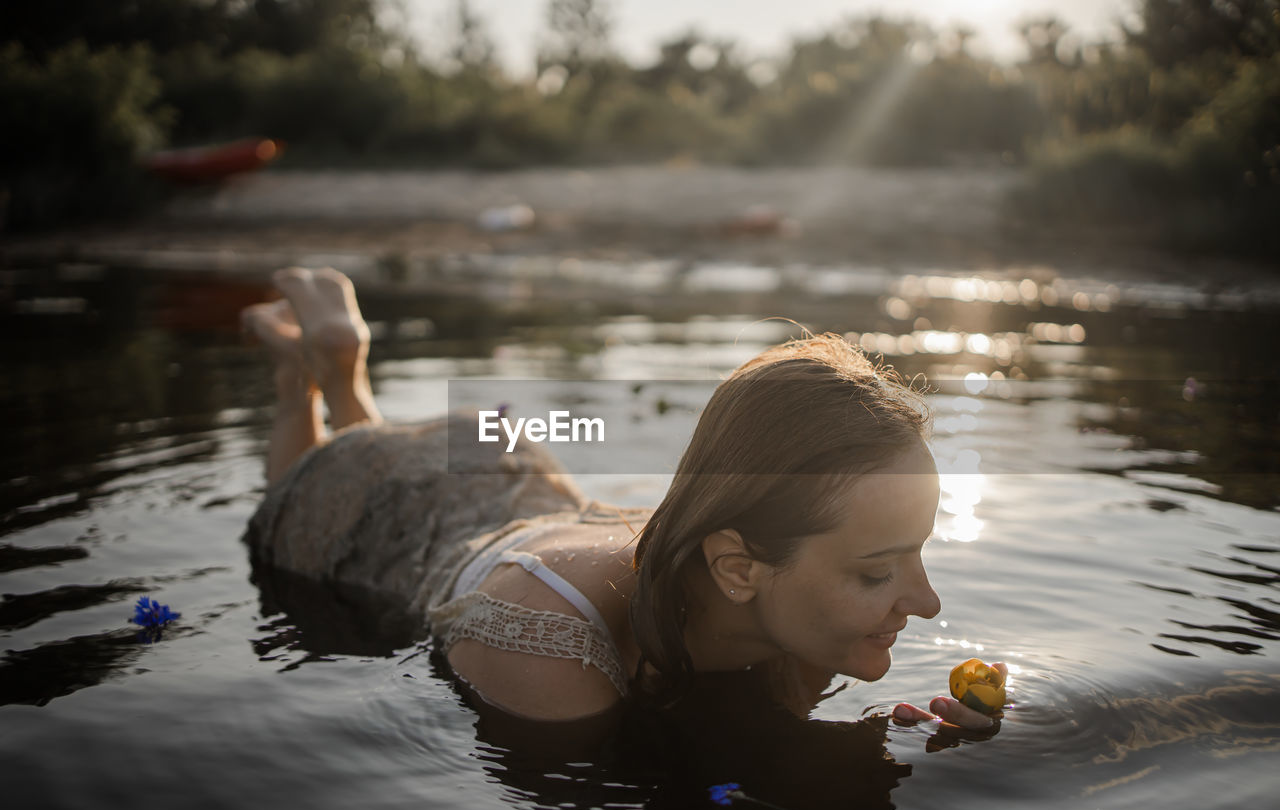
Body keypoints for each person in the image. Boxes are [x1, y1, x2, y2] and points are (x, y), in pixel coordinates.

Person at [242, 267, 1004, 730]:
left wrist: (931, 739)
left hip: (505, 472)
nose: (928, 602)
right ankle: (303, 380)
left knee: (391, 486)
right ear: (736, 569)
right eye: (877, 571)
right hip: (427, 497)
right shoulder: (546, 653)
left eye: (917, 554)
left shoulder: (757, 571)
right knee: (307, 500)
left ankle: (343, 375)